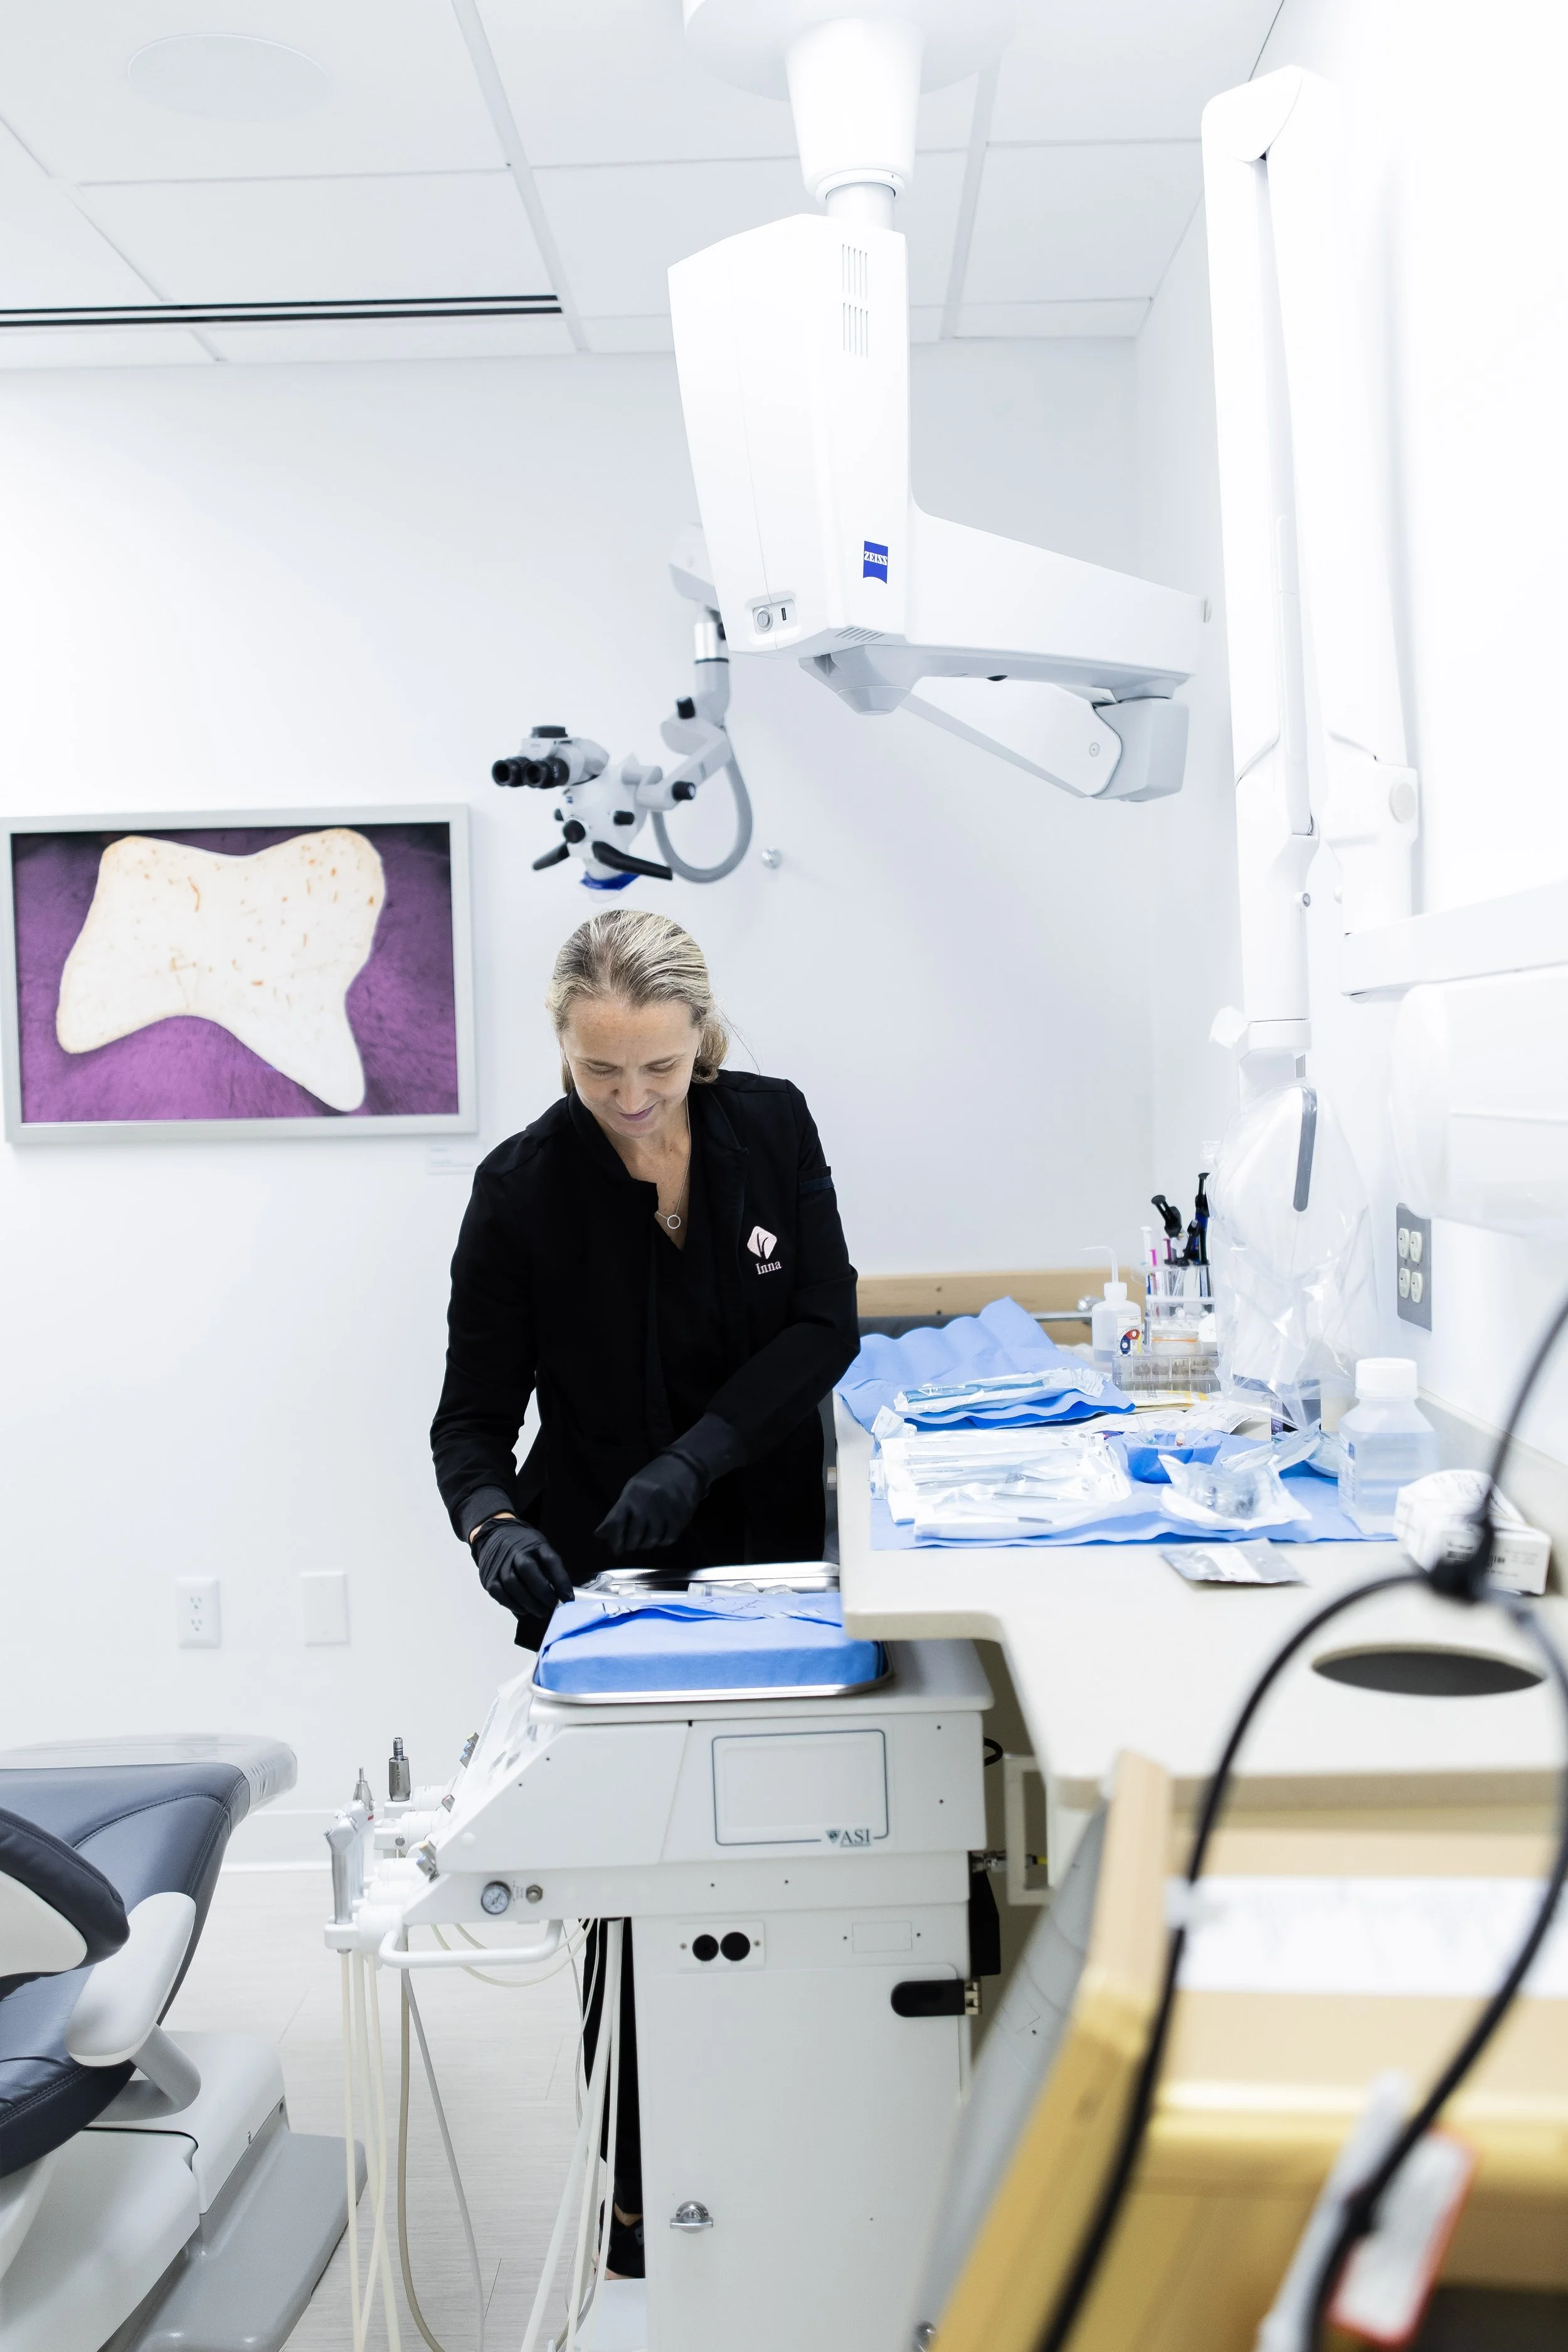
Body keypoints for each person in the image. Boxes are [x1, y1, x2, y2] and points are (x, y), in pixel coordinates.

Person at [430, 906, 859, 2275]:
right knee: (630, 1883)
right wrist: (494, 1525)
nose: (629, 1098)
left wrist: (701, 1456)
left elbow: (825, 1324)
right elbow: (469, 1423)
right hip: (602, 1573)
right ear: (562, 1046)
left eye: (658, 1069)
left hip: (772, 1554)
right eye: (598, 1070)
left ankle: (797, 2163)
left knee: (783, 1858)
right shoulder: (520, 1191)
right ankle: (636, 2194)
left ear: (701, 1039)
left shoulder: (769, 1127)